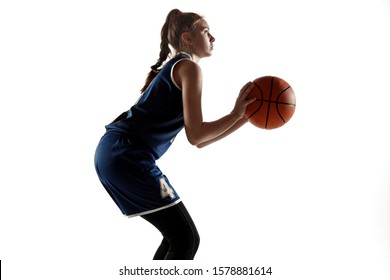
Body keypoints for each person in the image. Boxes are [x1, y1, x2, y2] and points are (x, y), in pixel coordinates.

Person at [94, 8, 255, 260]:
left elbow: (199, 141)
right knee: (185, 238)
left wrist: (244, 117)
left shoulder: (179, 66)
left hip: (115, 153)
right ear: (188, 38)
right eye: (205, 31)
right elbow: (197, 134)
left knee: (177, 236)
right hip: (126, 154)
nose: (213, 37)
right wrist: (235, 114)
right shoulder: (188, 68)